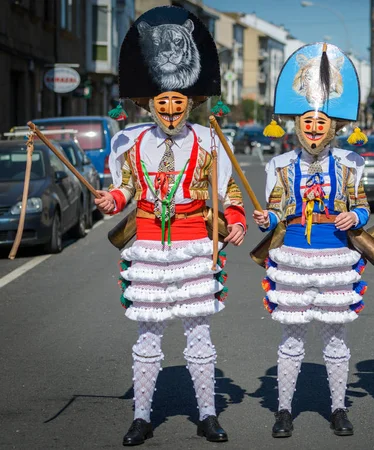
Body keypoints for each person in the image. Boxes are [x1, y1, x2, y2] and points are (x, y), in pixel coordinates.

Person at [94, 7, 246, 446]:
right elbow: (125, 190)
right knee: (148, 335)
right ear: (150, 104)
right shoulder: (129, 142)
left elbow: (228, 195)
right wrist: (111, 199)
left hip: (195, 246)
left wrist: (234, 220)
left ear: (191, 103)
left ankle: (208, 415)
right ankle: (142, 416)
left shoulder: (211, 141)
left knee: (199, 334)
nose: (172, 109)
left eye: (179, 102)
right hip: (148, 249)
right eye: (164, 102)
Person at [253, 42, 370, 438]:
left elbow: (365, 207)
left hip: (336, 255)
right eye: (307, 123)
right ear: (297, 126)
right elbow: (274, 210)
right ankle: (284, 409)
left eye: (321, 124)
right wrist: (264, 218)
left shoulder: (351, 164)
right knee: (292, 338)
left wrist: (357, 214)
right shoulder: (280, 165)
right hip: (293, 256)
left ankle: (338, 408)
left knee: (336, 338)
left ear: (333, 127)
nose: (314, 130)